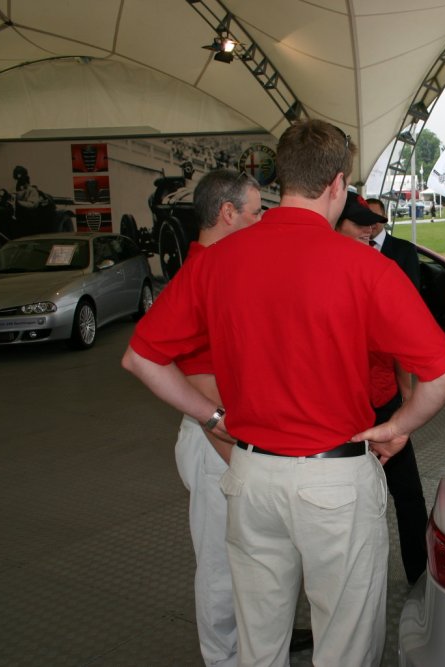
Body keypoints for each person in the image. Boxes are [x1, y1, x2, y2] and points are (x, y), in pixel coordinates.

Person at [122, 118, 445, 667]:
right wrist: (396, 428)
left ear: (281, 178)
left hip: (251, 478)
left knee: (259, 645)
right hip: (336, 480)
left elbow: (141, 358)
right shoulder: (362, 266)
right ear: (338, 184)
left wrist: (211, 416)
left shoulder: (218, 260)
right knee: (344, 646)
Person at [172, 169, 262, 667]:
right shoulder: (202, 279)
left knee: (246, 562)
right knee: (221, 570)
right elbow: (202, 391)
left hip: (232, 439)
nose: (263, 221)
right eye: (256, 213)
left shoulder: (219, 270)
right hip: (217, 442)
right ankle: (223, 660)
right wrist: (243, 461)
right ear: (227, 213)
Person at [362, 195, 428, 584]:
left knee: (408, 495)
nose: (367, 229)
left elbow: (404, 330)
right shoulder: (332, 265)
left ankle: (419, 575)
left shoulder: (397, 256)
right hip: (345, 410)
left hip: (384, 398)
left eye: (372, 221)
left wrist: (406, 392)